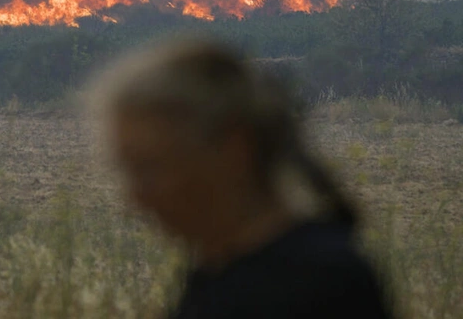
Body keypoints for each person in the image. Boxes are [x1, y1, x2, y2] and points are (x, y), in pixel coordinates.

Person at [91, 38, 394, 318]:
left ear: (235, 149)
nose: (135, 198)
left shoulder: (311, 285)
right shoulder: (219, 274)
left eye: (150, 169)